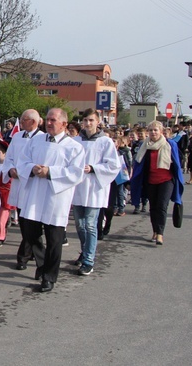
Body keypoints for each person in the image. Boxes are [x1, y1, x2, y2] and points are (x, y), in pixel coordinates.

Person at [16, 108, 85, 292]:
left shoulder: (74, 147)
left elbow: (76, 173)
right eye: (47, 119)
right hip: (35, 195)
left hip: (56, 197)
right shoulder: (36, 141)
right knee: (30, 233)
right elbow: (22, 161)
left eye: (53, 120)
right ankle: (42, 263)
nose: (48, 123)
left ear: (64, 124)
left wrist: (51, 172)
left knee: (54, 240)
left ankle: (49, 277)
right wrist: (32, 168)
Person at [70, 108, 121, 275]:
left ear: (98, 122)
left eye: (91, 120)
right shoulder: (76, 141)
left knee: (90, 225)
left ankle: (89, 260)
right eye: (85, 120)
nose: (88, 123)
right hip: (78, 188)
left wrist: (93, 168)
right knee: (79, 224)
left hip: (95, 188)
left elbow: (113, 166)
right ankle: (85, 252)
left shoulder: (105, 142)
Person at [130, 120, 184, 246]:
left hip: (166, 180)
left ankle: (160, 233)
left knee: (161, 205)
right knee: (153, 207)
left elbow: (176, 161)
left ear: (161, 131)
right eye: (151, 130)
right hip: (150, 180)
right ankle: (155, 230)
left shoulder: (170, 144)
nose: (153, 132)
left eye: (156, 130)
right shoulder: (145, 146)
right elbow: (139, 164)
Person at [3, 109, 43, 271]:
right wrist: (11, 169)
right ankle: (31, 252)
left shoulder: (42, 139)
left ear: (33, 122)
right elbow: (9, 157)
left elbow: (40, 162)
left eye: (24, 120)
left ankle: (25, 255)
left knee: (31, 223)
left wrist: (26, 171)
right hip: (18, 184)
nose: (21, 123)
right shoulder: (18, 137)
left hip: (33, 185)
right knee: (24, 221)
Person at [0, 140, 13, 247]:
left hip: (4, 197)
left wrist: (0, 190)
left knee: (1, 219)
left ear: (5, 154)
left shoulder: (8, 168)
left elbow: (10, 184)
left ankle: (0, 237)